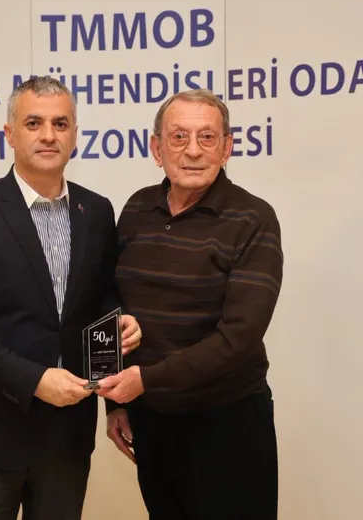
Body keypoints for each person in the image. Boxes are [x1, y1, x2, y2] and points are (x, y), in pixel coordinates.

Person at [0, 76, 141, 520]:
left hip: (67, 436)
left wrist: (120, 332)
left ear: (75, 135)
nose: (49, 135)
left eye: (60, 124)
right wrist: (35, 380)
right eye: (34, 123)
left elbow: (103, 299)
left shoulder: (97, 211)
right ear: (10, 134)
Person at [97, 89, 283, 520]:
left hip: (227, 424)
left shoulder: (254, 219)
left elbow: (239, 336)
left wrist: (145, 380)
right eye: (178, 137)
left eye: (207, 137)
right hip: (151, 421)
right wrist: (117, 402)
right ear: (156, 148)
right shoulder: (137, 209)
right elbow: (113, 305)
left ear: (227, 147)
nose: (193, 151)